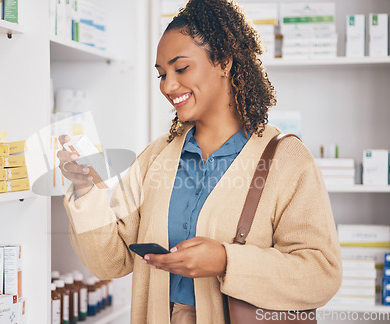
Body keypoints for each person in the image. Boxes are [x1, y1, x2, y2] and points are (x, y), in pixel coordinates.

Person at [57, 0, 342, 323]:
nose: (168, 85)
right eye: (161, 75)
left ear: (223, 61)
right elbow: (111, 262)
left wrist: (225, 260)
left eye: (181, 69)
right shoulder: (155, 157)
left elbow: (321, 275)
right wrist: (85, 189)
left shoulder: (287, 160)